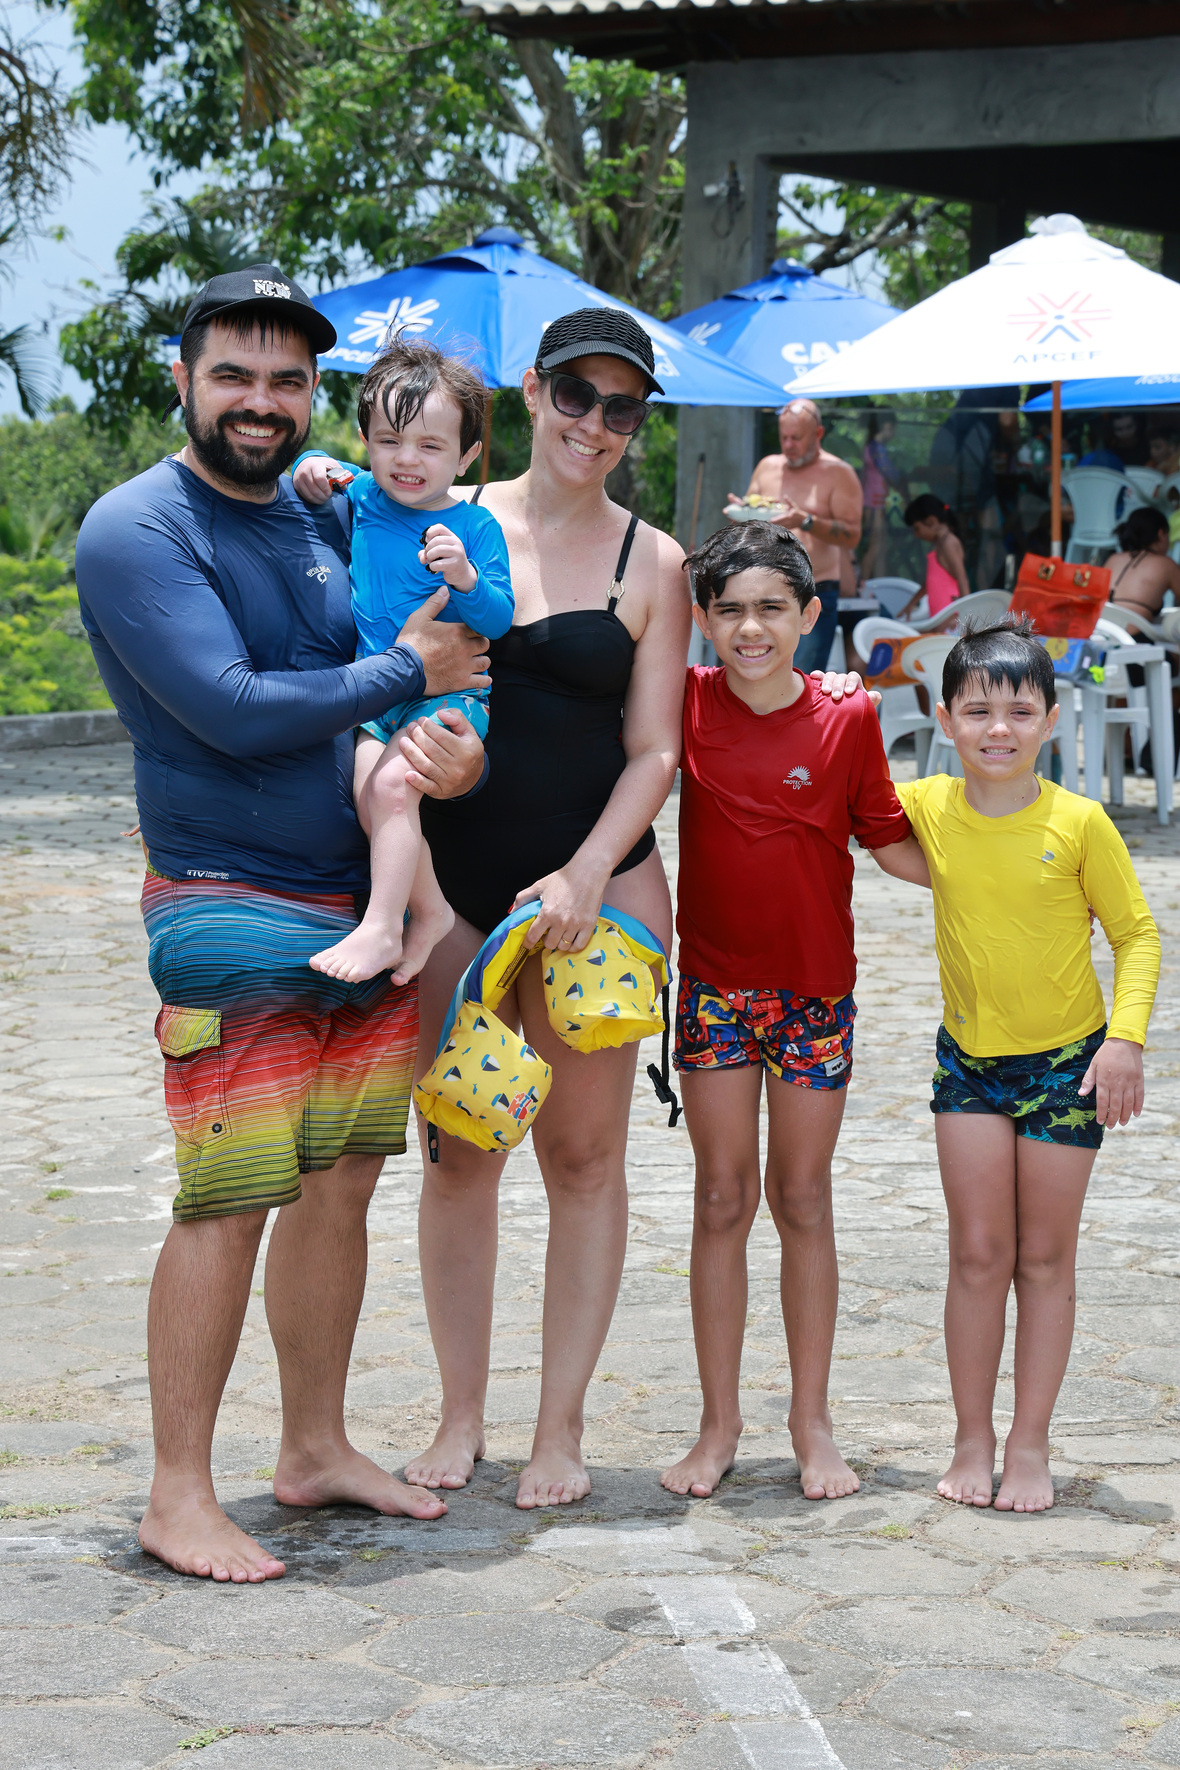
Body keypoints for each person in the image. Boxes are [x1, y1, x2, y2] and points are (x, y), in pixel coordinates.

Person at [74, 266, 491, 1582]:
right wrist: (412, 670)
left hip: (357, 899)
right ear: (184, 379)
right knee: (232, 1191)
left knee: (341, 1181)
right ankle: (177, 1494)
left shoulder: (321, 513)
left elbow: (395, 689)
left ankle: (313, 1446)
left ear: (315, 395)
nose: (260, 401)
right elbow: (232, 705)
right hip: (227, 897)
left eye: (287, 380)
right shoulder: (139, 529)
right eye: (234, 375)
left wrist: (449, 755)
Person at [660, 522, 927, 1502]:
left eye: (772, 608)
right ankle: (717, 1425)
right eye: (729, 610)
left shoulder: (847, 717)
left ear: (811, 615)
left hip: (815, 996)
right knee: (721, 1198)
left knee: (802, 1198)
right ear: (703, 619)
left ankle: (812, 1423)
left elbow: (889, 840)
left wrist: (1005, 881)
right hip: (713, 993)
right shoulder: (684, 701)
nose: (751, 628)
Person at [894, 620, 1159, 1511]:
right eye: (977, 711)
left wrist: (1125, 1040)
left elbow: (1137, 934)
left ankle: (1030, 1442)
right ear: (944, 720)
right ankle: (971, 1439)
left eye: (1018, 711)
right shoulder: (928, 806)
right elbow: (857, 812)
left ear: (1049, 720)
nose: (997, 729)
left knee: (1044, 1258)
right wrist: (838, 696)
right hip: (968, 1067)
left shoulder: (1080, 823)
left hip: (1067, 1067)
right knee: (977, 1255)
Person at [290, 339, 514, 985]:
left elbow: (499, 619)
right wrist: (309, 465)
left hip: (451, 696)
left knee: (391, 789)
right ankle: (433, 908)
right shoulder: (363, 495)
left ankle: (384, 925)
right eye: (389, 440)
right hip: (379, 695)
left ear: (466, 456)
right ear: (366, 439)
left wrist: (466, 578)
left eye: (430, 445)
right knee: (369, 797)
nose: (407, 459)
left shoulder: (475, 528)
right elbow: (315, 467)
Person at [731, 398, 863, 674]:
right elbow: (753, 514)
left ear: (818, 433)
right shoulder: (768, 466)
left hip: (812, 590)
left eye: (797, 438)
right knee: (751, 675)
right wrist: (741, 513)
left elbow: (851, 536)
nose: (788, 445)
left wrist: (806, 521)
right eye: (784, 438)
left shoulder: (838, 473)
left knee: (800, 677)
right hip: (760, 586)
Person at [898, 494, 970, 621]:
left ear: (931, 521)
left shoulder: (948, 543)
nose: (916, 535)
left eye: (917, 529)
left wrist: (967, 615)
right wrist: (911, 603)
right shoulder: (939, 544)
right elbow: (931, 582)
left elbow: (962, 579)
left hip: (951, 620)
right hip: (940, 618)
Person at [1106, 506, 1180, 624]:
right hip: (1134, 632)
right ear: (1161, 534)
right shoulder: (1166, 564)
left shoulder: (1114, 558)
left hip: (1102, 627)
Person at [860, 410, 907, 580]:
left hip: (875, 502)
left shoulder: (871, 446)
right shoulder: (876, 448)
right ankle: (863, 584)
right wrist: (903, 478)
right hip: (874, 503)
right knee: (875, 546)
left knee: (880, 546)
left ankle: (876, 582)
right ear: (887, 426)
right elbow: (890, 472)